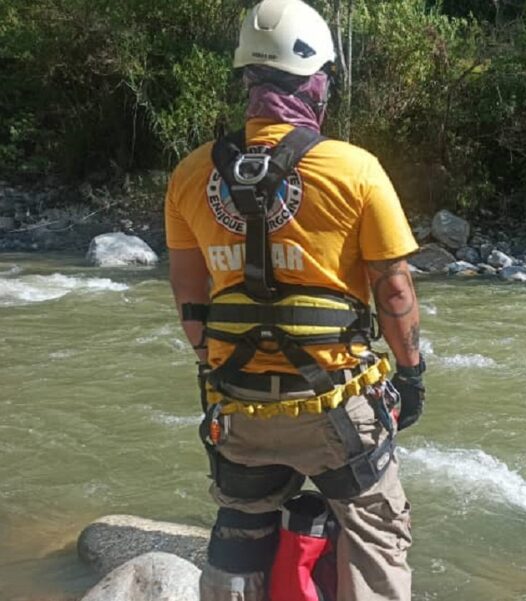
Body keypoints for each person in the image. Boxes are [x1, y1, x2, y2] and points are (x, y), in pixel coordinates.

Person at [164, 1, 425, 599]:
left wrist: (214, 368)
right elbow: (393, 288)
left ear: (249, 80)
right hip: (335, 403)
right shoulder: (355, 169)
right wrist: (411, 375)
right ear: (316, 83)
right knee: (376, 534)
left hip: (240, 403)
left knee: (241, 530)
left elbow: (189, 293)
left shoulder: (190, 173)